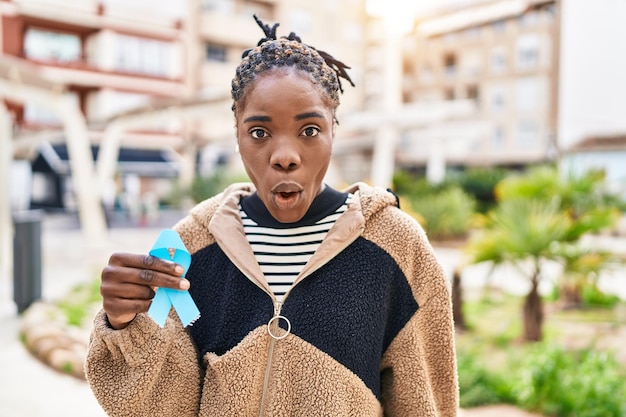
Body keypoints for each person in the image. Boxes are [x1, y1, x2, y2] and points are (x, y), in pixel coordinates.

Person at [85, 15, 458, 417]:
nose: (284, 156)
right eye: (260, 132)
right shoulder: (187, 250)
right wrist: (125, 324)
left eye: (310, 130)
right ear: (237, 134)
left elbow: (426, 403)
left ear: (335, 128)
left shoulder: (394, 246)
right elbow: (160, 406)